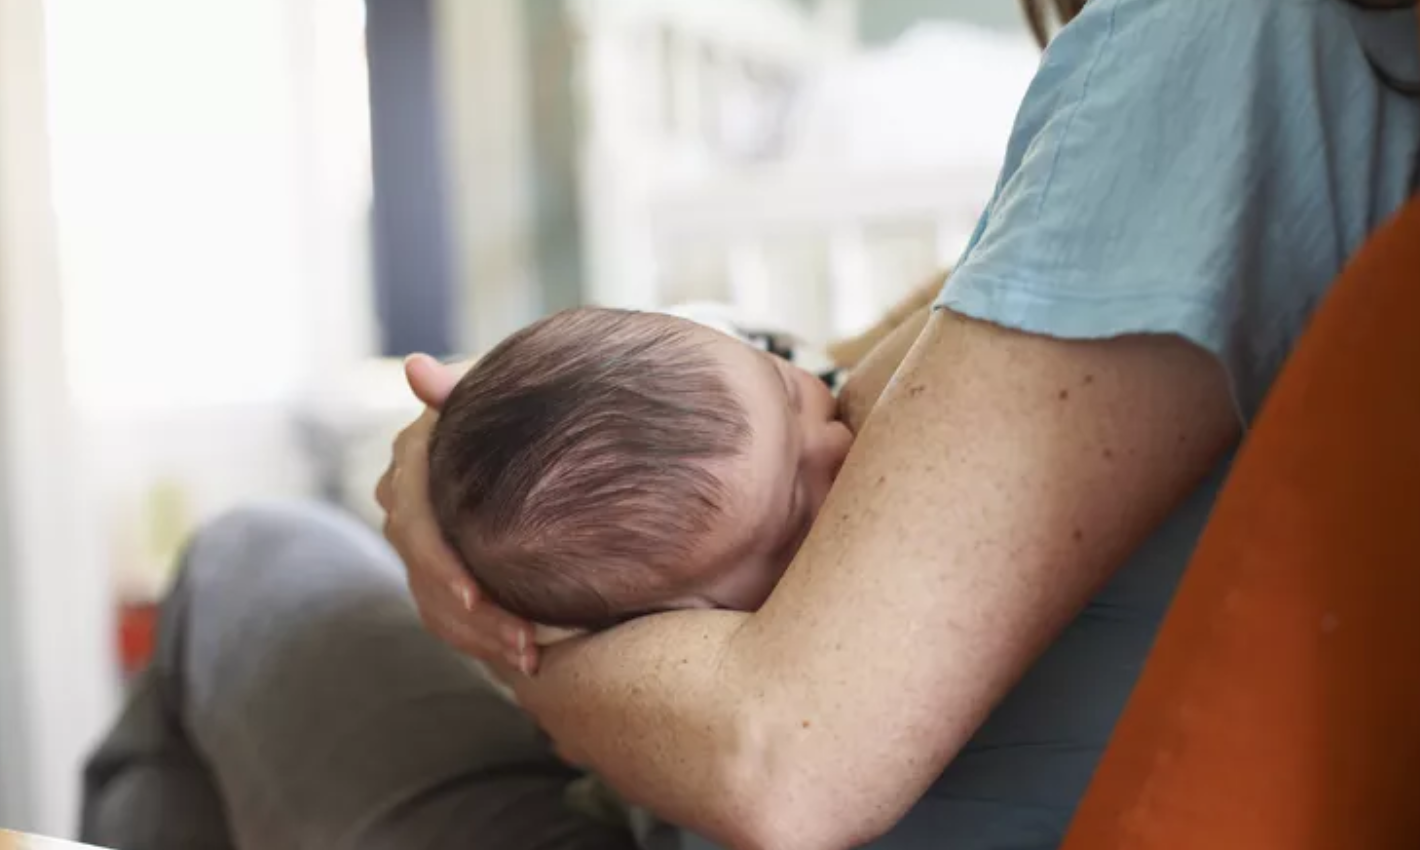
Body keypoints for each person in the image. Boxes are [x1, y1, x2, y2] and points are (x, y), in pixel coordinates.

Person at [81, 1, 1419, 848]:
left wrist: (501, 623)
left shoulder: (1211, 50)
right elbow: (847, 368)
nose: (840, 437)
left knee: (248, 561)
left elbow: (778, 762)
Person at [428, 306, 851, 630]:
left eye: (790, 391)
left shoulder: (728, 352)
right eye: (796, 505)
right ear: (693, 617)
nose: (837, 440)